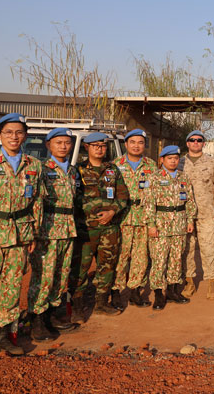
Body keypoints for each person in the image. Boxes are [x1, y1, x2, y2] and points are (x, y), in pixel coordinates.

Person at [0, 113, 43, 355]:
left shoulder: (33, 165)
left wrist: (33, 234)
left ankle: (3, 333)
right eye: (9, 132)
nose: (14, 137)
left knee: (12, 287)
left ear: (24, 136)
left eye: (19, 132)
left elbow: (37, 202)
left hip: (20, 236)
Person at [70, 132, 129, 321]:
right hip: (85, 229)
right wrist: (92, 211)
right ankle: (77, 308)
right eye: (95, 145)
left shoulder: (112, 170)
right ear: (86, 147)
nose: (99, 149)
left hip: (109, 228)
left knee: (107, 266)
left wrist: (112, 212)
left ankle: (102, 303)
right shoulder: (77, 171)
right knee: (80, 268)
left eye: (102, 145)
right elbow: (72, 198)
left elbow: (123, 196)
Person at [28, 128, 79, 341]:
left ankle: (53, 315)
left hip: (67, 228)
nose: (64, 146)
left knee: (61, 272)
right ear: (48, 145)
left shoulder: (72, 170)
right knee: (44, 275)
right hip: (47, 229)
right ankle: (37, 321)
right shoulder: (40, 168)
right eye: (58, 142)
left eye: (67, 142)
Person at [144, 145, 196, 310]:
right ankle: (159, 294)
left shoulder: (184, 177)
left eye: (175, 158)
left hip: (179, 224)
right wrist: (151, 225)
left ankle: (173, 291)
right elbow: (148, 203)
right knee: (159, 260)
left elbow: (190, 201)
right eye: (169, 158)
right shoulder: (154, 178)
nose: (173, 161)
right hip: (161, 224)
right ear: (162, 160)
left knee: (176, 259)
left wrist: (190, 220)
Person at [111, 129, 157, 310]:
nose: (136, 146)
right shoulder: (115, 165)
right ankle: (115, 291)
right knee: (120, 257)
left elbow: (155, 194)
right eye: (133, 142)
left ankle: (135, 291)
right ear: (126, 144)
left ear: (144, 145)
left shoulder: (151, 166)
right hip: (122, 217)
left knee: (141, 257)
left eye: (140, 142)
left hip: (143, 216)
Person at [180, 130, 214, 300]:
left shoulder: (213, 163)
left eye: (199, 140)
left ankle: (212, 282)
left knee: (208, 249)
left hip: (206, 213)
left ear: (203, 143)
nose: (195, 142)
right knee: (187, 249)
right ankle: (189, 282)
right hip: (184, 214)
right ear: (187, 143)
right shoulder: (178, 163)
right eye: (192, 140)